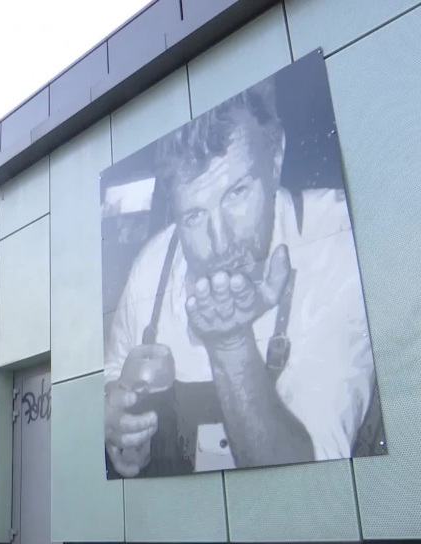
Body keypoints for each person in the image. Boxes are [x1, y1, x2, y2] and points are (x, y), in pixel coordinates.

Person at [103, 79, 381, 478]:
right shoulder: (153, 265)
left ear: (275, 156)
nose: (220, 241)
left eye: (237, 193)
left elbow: (312, 485)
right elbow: (114, 372)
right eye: (194, 216)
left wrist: (231, 345)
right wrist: (117, 423)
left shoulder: (337, 241)